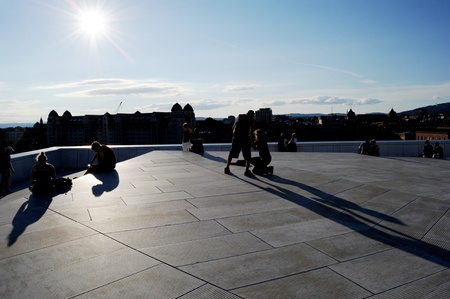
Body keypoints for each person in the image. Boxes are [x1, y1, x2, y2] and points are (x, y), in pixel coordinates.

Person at [224, 110, 255, 176]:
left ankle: (227, 167)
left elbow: (234, 127)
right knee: (247, 155)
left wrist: (234, 136)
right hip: (245, 138)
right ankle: (247, 171)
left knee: (232, 153)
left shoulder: (240, 116)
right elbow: (251, 131)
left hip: (236, 138)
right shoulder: (251, 120)